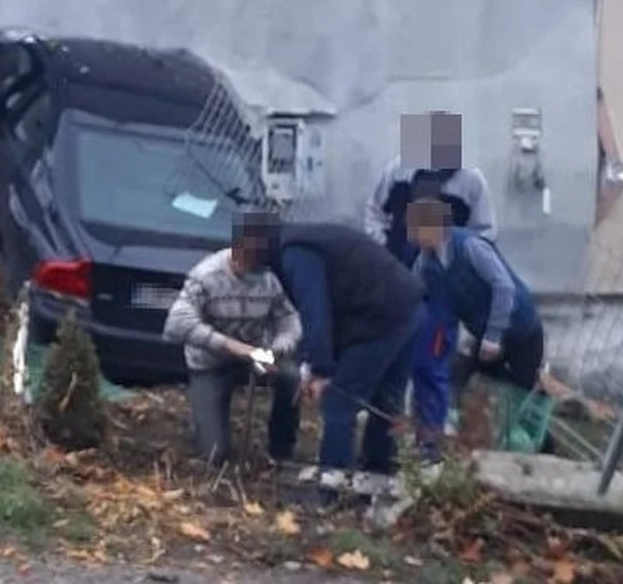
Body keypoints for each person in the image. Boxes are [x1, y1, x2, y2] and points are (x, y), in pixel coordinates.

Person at [364, 112, 496, 456]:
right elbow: (374, 212)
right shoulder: (398, 170)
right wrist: (382, 250)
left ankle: (428, 449)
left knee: (430, 367)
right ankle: (381, 452)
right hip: (395, 283)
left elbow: (485, 234)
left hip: (440, 293)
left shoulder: (471, 183)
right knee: (389, 365)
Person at [267, 219, 426, 500]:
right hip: (409, 307)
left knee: (338, 404)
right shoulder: (314, 236)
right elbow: (335, 306)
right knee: (386, 401)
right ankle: (376, 482)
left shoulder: (295, 253)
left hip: (379, 320)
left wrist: (321, 370)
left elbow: (316, 310)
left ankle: (332, 491)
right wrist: (310, 363)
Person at [163, 210, 303, 465]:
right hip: (210, 363)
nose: (257, 270)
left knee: (291, 377)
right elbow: (176, 324)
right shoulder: (206, 276)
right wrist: (231, 346)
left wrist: (278, 348)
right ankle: (207, 428)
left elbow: (289, 319)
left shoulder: (269, 277)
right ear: (241, 248)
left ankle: (281, 451)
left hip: (256, 357)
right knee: (215, 454)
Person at [405, 198, 545, 407]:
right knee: (467, 373)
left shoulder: (470, 246)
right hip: (483, 331)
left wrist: (494, 335)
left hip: (520, 327)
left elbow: (504, 287)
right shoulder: (425, 262)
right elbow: (416, 295)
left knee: (521, 392)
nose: (412, 238)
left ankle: (538, 405)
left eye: (416, 230)